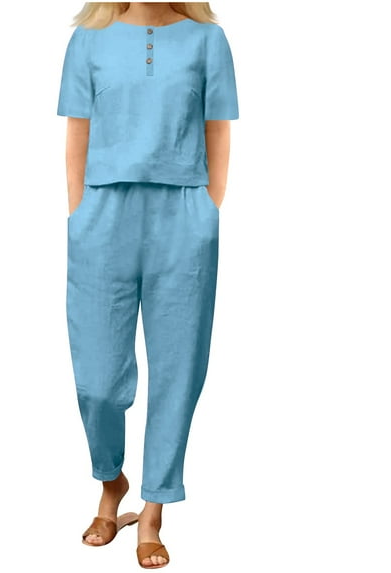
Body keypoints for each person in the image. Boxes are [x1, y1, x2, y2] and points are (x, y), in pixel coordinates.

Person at [56, 2, 239, 568]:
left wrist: (207, 212)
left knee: (178, 372)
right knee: (97, 379)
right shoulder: (88, 39)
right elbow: (78, 132)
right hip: (103, 213)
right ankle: (111, 481)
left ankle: (154, 509)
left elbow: (217, 131)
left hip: (183, 216)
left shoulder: (208, 40)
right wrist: (79, 214)